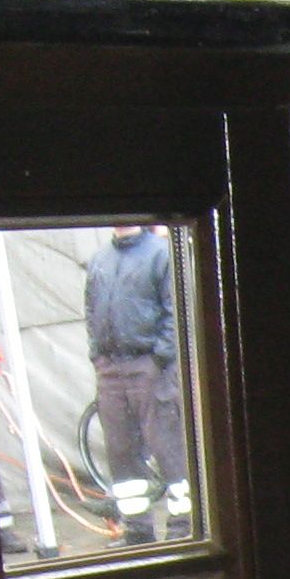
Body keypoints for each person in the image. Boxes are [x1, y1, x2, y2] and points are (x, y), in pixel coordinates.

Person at [85, 225, 184, 543]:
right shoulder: (99, 259)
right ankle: (138, 528)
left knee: (167, 446)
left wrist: (160, 357)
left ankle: (184, 526)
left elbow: (175, 309)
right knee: (121, 451)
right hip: (110, 368)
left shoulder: (161, 254)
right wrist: (97, 355)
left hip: (149, 366)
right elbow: (90, 308)